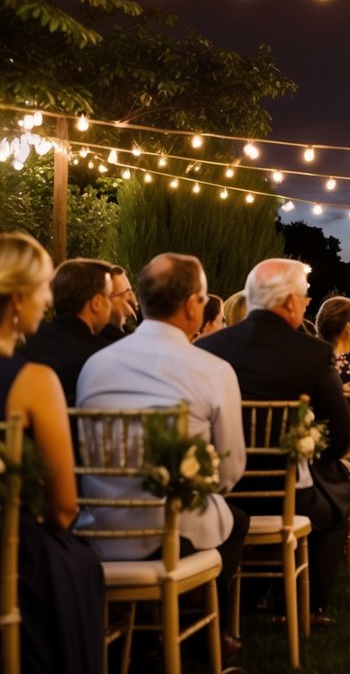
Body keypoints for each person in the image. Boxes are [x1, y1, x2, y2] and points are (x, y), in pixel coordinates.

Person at [76, 253, 248, 657]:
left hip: (98, 530)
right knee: (235, 520)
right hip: (173, 536)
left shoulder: (95, 365)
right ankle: (202, 630)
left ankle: (145, 631)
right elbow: (229, 471)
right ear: (192, 305)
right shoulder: (212, 369)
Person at [196, 258, 350, 627]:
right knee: (338, 501)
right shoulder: (313, 353)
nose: (306, 304)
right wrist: (310, 456)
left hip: (223, 491)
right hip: (287, 493)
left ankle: (246, 599)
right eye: (305, 297)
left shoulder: (209, 347)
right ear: (288, 302)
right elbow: (340, 437)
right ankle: (307, 607)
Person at [0, 232, 105, 674]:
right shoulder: (33, 382)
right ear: (18, 298)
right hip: (13, 553)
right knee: (78, 564)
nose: (48, 300)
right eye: (43, 288)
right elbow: (62, 507)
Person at [19, 258, 113, 405]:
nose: (111, 305)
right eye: (109, 296)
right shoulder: (103, 356)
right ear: (96, 303)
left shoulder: (27, 343)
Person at [100, 264, 138, 343]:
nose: (132, 298)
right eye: (126, 292)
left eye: (130, 291)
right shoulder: (100, 344)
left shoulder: (129, 334)